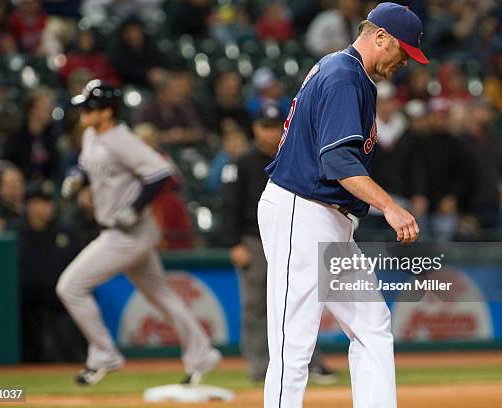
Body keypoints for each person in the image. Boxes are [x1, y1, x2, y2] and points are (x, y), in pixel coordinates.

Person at [258, 3, 427, 407]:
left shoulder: (351, 74)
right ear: (379, 36)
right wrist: (391, 206)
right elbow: (336, 162)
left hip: (327, 217)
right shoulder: (343, 77)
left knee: (371, 324)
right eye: (402, 50)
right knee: (294, 340)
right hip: (303, 209)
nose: (404, 60)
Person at [55, 80, 221, 385]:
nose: (83, 113)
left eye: (90, 107)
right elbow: (84, 165)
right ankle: (201, 354)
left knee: (70, 287)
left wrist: (135, 206)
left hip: (127, 234)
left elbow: (159, 172)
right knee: (161, 296)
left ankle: (104, 353)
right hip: (122, 232)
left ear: (107, 112)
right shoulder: (93, 134)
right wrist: (76, 177)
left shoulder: (121, 139)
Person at [220, 103, 338, 384]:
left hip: (293, 235)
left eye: (275, 126)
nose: (271, 133)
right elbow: (228, 206)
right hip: (254, 240)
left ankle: (311, 362)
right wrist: (233, 243)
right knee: (256, 304)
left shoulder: (296, 155)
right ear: (255, 128)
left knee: (301, 299)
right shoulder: (241, 163)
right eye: (265, 127)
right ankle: (259, 365)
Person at [19, 182, 85, 362]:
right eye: (40, 202)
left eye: (48, 202)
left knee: (69, 351)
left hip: (61, 307)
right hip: (28, 309)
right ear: (29, 205)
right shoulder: (18, 233)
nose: (47, 207)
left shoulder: (66, 232)